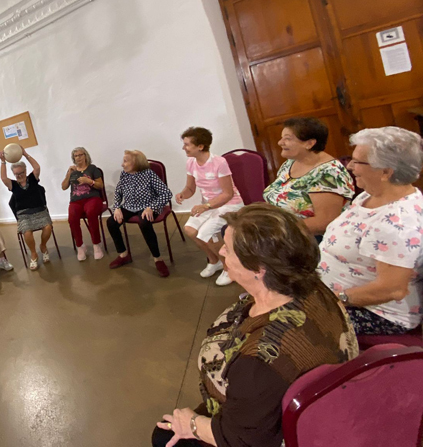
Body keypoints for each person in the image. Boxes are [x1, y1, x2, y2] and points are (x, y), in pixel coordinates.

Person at [152, 204, 357, 447]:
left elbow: (243, 440)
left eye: (228, 249)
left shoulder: (260, 361)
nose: (221, 251)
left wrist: (192, 425)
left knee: (163, 437)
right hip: (289, 406)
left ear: (258, 269)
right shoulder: (312, 286)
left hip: (262, 429)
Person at [319, 127, 423, 335]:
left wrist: (333, 299)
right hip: (333, 292)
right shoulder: (370, 195)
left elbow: (392, 289)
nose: (350, 166)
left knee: (283, 326)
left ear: (385, 172)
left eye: (358, 162)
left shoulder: (398, 225)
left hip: (378, 313)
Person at [263, 117, 354, 239]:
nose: (280, 142)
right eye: (282, 137)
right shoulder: (290, 163)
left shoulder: (328, 173)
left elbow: (324, 222)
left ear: (310, 143)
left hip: (311, 240)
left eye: (287, 138)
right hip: (284, 234)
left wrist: (275, 230)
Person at [175, 127, 244, 287]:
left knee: (206, 233)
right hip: (209, 205)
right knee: (190, 230)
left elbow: (227, 194)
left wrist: (205, 206)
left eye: (187, 145)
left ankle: (228, 268)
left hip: (229, 204)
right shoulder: (191, 163)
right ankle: (214, 261)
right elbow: (190, 188)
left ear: (200, 146)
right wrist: (183, 194)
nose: (184, 148)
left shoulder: (219, 162)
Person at [106, 150, 172, 276]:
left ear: (135, 162)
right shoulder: (124, 174)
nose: (122, 164)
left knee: (144, 222)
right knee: (111, 222)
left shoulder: (148, 174)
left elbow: (166, 194)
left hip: (149, 206)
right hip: (129, 206)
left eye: (125, 161)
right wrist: (117, 208)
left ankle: (158, 259)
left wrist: (152, 207)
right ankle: (123, 254)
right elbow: (118, 192)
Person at [0, 148, 54, 271]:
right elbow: (3, 178)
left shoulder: (33, 179)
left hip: (40, 211)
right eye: (16, 174)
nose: (19, 175)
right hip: (24, 215)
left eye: (21, 173)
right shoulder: (13, 185)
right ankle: (33, 254)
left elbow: (37, 167)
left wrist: (25, 154)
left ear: (25, 171)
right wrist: (3, 161)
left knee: (48, 227)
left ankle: (43, 246)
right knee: (27, 232)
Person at [62, 147, 105, 261]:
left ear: (86, 156)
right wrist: (68, 174)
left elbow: (100, 185)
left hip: (92, 198)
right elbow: (64, 187)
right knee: (72, 218)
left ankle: (96, 244)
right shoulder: (72, 171)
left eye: (80, 155)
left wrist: (89, 181)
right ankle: (80, 246)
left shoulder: (92, 168)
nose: (78, 158)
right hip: (76, 200)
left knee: (91, 213)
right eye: (76, 156)